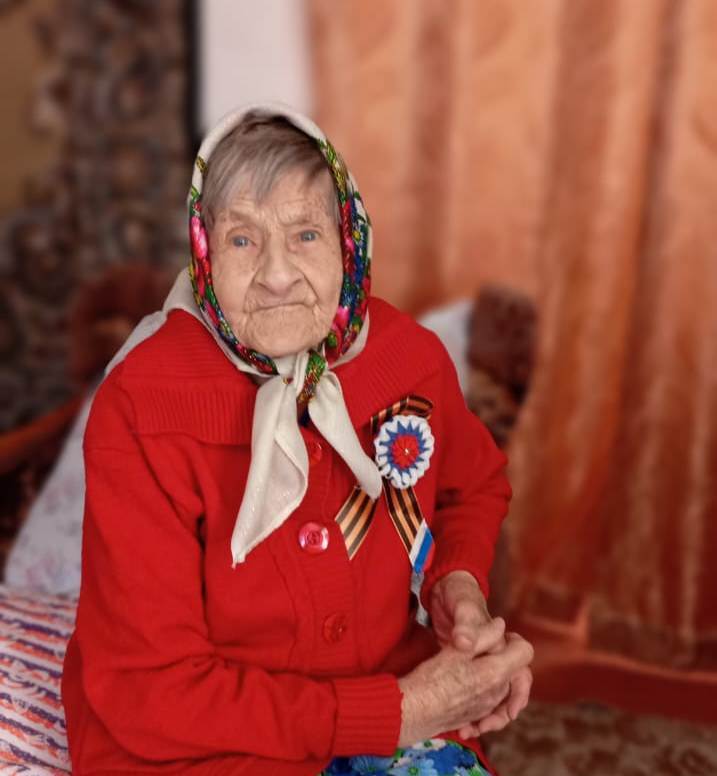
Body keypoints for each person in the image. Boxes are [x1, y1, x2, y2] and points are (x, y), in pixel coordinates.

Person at [61, 103, 534, 776]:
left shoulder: (408, 358)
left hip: (388, 697)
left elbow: (472, 484)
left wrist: (456, 586)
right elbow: (149, 692)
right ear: (203, 253)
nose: (277, 274)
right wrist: (397, 712)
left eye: (306, 234)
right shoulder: (140, 403)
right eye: (242, 240)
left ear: (348, 241)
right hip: (200, 749)